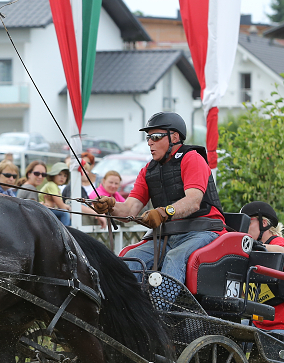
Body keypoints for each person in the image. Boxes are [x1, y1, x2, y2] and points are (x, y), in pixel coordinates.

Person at [93, 112, 225, 285]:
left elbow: (193, 201)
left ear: (175, 137)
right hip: (168, 236)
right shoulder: (148, 170)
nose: (149, 142)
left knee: (175, 257)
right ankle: (126, 308)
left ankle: (160, 310)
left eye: (155, 136)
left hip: (203, 232)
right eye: (148, 137)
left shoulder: (192, 158)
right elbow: (129, 210)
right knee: (131, 259)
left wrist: (164, 212)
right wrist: (110, 206)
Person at [241, 201, 284, 336]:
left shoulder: (277, 242)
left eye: (248, 222)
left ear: (264, 223)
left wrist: (252, 245)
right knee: (224, 332)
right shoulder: (247, 251)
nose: (242, 227)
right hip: (258, 323)